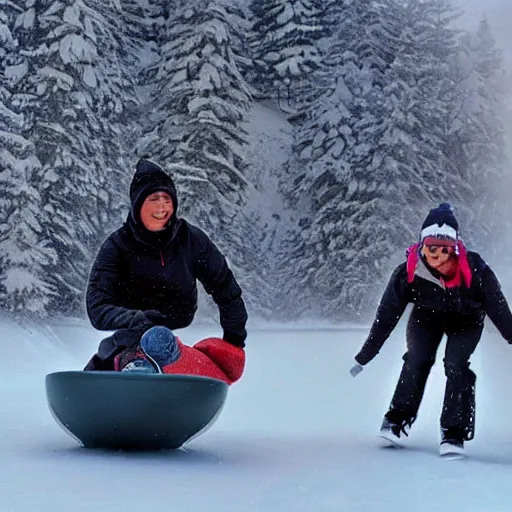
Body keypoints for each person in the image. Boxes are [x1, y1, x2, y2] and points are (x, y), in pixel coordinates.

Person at [350, 202, 512, 455]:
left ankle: (453, 433)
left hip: (466, 320)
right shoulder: (408, 273)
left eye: (444, 248)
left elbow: (501, 313)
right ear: (422, 245)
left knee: (456, 364)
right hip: (426, 317)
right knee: (417, 358)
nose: (436, 254)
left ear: (455, 248)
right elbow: (386, 316)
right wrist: (365, 356)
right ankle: (396, 419)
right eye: (431, 247)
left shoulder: (476, 271)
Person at [83, 157, 248, 385]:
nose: (162, 207)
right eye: (153, 199)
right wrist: (138, 318)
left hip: (174, 329)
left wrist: (234, 340)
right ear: (138, 204)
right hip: (133, 333)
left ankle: (161, 365)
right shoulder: (117, 246)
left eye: (167, 199)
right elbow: (97, 307)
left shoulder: (190, 240)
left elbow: (225, 288)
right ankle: (127, 371)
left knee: (159, 340)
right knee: (125, 348)